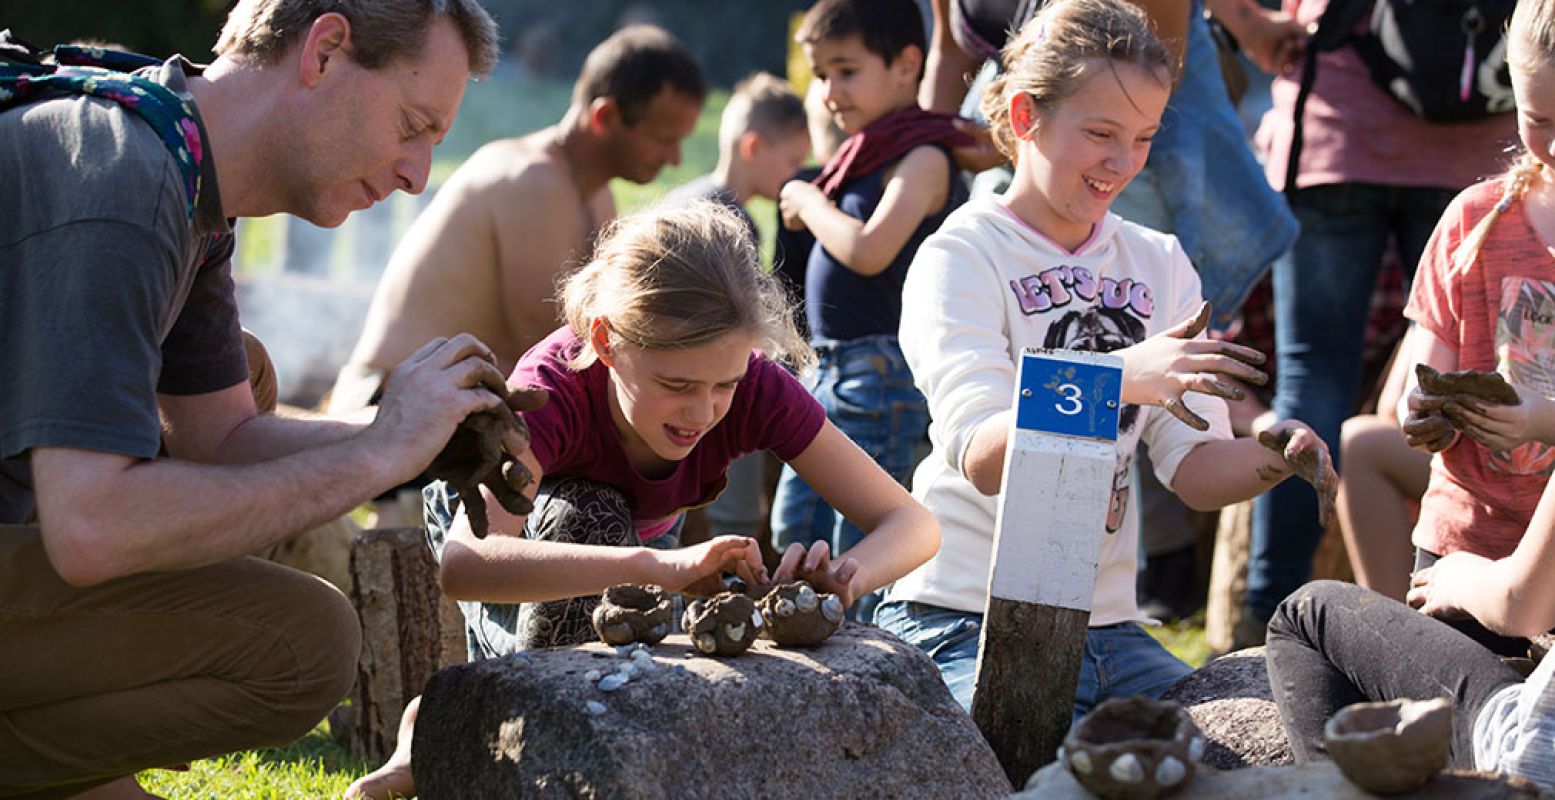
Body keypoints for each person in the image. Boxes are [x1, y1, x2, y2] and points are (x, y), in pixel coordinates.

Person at [0, 1, 507, 797]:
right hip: (66, 519)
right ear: (326, 51)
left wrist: (422, 443)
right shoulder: (123, 179)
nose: (416, 174)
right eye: (412, 125)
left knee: (249, 373)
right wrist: (378, 451)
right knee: (301, 643)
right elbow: (90, 527)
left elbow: (222, 437)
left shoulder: (174, 152)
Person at [345, 201, 942, 799]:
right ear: (606, 341)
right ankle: (453, 717)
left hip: (642, 547)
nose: (703, 412)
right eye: (675, 385)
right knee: (589, 514)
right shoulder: (549, 394)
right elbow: (467, 563)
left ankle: (447, 715)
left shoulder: (756, 385)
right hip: (511, 538)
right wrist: (657, 569)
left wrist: (842, 580)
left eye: (724, 386)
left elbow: (913, 523)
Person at [873, 0, 1335, 718]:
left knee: (1244, 744)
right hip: (962, 613)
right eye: (1099, 134)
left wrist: (1276, 455)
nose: (1122, 164)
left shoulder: (1159, 260)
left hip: (1111, 631)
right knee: (1016, 764)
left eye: (1145, 138)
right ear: (1024, 117)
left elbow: (1194, 472)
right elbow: (983, 456)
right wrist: (1125, 375)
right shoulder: (960, 256)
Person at [1268, 2, 1555, 785]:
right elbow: (1412, 381)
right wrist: (1423, 413)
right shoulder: (1475, 221)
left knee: (1310, 619)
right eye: (1538, 118)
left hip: (1535, 572)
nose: (1554, 144)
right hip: (1462, 544)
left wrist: (1540, 421)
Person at [328, 23, 705, 528]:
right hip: (390, 407)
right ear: (606, 116)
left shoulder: (594, 195)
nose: (676, 159)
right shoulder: (529, 181)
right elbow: (559, 351)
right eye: (663, 138)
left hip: (465, 411)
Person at [1242, 0, 1518, 646]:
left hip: (1340, 122)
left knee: (1313, 382)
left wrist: (1249, 25)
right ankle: (1457, 632)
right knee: (1466, 402)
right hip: (1478, 144)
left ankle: (1269, 615)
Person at [768, 0, 970, 617]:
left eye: (846, 71)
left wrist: (806, 197)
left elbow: (869, 249)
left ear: (908, 65)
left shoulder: (925, 156)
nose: (830, 91)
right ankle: (795, 653)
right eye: (821, 74)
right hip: (830, 373)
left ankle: (864, 674)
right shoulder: (864, 154)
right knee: (793, 532)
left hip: (882, 375)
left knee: (859, 552)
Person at [662, 72, 810, 548]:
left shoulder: (685, 198)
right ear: (753, 148)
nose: (794, 175)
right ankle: (736, 553)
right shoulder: (727, 221)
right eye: (791, 161)